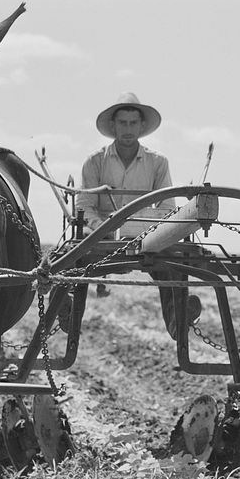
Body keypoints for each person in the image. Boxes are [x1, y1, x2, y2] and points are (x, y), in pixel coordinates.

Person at [76, 92, 200, 339]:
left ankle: (178, 320)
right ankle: (69, 314)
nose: (128, 129)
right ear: (113, 125)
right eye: (123, 123)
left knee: (175, 261)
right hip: (103, 235)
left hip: (146, 236)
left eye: (133, 123)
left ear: (142, 126)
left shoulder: (158, 163)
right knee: (76, 255)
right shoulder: (94, 162)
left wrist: (147, 231)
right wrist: (103, 228)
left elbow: (167, 207)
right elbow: (85, 205)